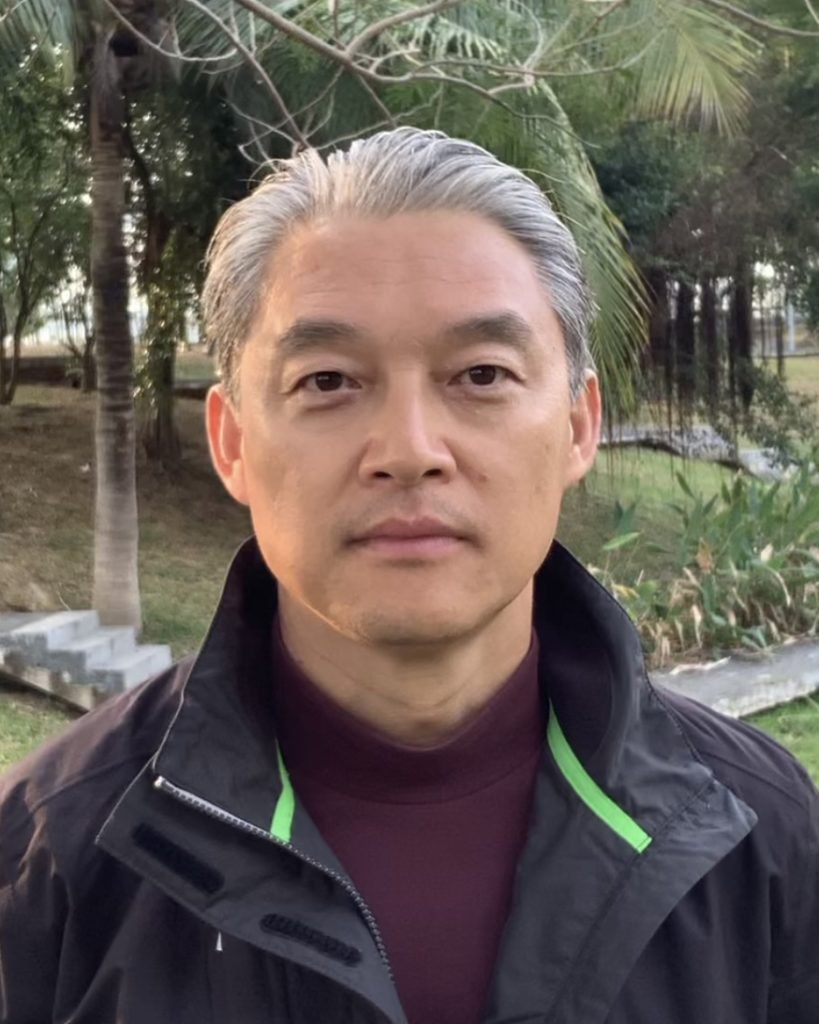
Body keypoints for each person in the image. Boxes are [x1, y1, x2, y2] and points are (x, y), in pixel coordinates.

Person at [1, 128, 817, 1024]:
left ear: (577, 427)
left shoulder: (759, 836)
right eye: (328, 381)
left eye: (480, 373)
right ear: (232, 442)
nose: (410, 452)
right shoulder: (49, 858)